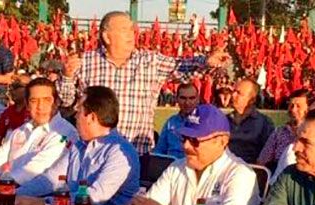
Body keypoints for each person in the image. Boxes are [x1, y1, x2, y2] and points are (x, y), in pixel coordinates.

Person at [59, 11, 230, 155]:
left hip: (137, 152)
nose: (132, 34)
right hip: (95, 152)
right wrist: (67, 76)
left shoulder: (150, 61)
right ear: (107, 36)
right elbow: (66, 102)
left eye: (132, 29)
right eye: (124, 29)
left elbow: (182, 66)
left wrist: (207, 61)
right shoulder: (86, 61)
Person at [120, 104, 259, 205]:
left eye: (194, 140)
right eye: (184, 138)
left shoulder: (241, 174)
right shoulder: (176, 167)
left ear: (222, 141)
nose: (186, 145)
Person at [16, 86, 140, 205]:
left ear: (91, 117)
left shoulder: (120, 153)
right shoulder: (78, 146)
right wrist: (13, 194)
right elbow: (50, 179)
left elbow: (95, 197)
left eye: (79, 111)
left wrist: (43, 203)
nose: (75, 116)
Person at [0, 77, 76, 185]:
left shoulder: (64, 132)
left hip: (37, 197)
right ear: (27, 104)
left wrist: (6, 182)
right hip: (7, 189)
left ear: (57, 102)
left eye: (46, 100)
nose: (40, 106)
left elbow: (34, 170)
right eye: (34, 101)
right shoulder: (20, 131)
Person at [257, 89, 309, 171]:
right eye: (291, 105)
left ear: (308, 109)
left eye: (298, 106)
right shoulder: (279, 132)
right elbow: (262, 161)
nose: (293, 110)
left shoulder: (312, 134)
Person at [227, 78, 275, 164]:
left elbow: (268, 156)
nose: (233, 95)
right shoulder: (223, 120)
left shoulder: (264, 124)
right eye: (234, 91)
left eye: (239, 93)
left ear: (252, 100)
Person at [152, 83, 200, 159]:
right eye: (183, 98)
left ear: (198, 99)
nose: (187, 102)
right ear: (177, 99)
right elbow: (159, 151)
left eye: (191, 98)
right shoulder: (171, 123)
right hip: (171, 165)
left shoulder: (203, 122)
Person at [0, 81, 29, 152]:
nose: (12, 91)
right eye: (11, 88)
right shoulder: (7, 111)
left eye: (17, 87)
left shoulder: (33, 111)